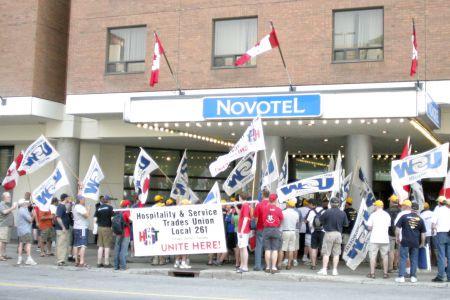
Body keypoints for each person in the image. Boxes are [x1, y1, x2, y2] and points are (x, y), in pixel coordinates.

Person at [395, 202, 426, 283]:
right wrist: (422, 243)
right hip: (415, 242)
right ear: (417, 209)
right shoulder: (420, 219)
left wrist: (397, 238)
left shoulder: (404, 217)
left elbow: (397, 229)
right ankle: (413, 277)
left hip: (405, 241)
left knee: (403, 258)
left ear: (411, 208)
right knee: (414, 259)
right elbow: (423, 234)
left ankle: (401, 277)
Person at [317, 197, 348, 276]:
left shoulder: (327, 211)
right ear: (338, 204)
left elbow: (319, 221)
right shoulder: (343, 213)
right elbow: (346, 224)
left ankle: (324, 270)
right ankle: (335, 270)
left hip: (329, 233)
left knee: (326, 253)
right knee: (336, 253)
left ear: (330, 204)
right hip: (338, 234)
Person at [366, 200, 391, 279]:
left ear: (377, 206)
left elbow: (369, 227)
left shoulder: (373, 215)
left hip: (374, 238)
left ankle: (372, 273)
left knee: (373, 256)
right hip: (384, 239)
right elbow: (388, 226)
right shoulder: (387, 215)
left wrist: (373, 228)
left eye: (375, 205)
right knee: (385, 256)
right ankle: (385, 273)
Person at [262, 193, 283, 274]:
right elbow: (281, 219)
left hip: (266, 229)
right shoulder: (278, 209)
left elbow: (263, 218)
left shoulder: (264, 208)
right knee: (275, 249)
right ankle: (274, 267)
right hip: (275, 229)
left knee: (267, 249)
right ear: (276, 200)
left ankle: (267, 267)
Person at [431, 198, 450, 282]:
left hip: (441, 234)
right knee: (449, 257)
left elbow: (433, 224)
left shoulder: (437, 211)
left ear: (439, 203)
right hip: (449, 234)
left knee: (441, 256)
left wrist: (432, 231)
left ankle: (440, 276)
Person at [279, 199, 299, 270]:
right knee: (291, 249)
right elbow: (297, 222)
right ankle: (289, 265)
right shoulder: (296, 213)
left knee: (282, 249)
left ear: (288, 205)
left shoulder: (283, 212)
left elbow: (280, 221)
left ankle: (279, 264)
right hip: (293, 231)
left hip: (284, 231)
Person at [94, 195, 114, 268]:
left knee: (100, 246)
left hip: (99, 227)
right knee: (107, 246)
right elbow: (112, 219)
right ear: (108, 200)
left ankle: (99, 262)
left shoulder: (98, 208)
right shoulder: (110, 208)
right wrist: (113, 228)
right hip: (107, 228)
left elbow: (95, 220)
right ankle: (106, 263)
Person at [16, 198, 37, 265]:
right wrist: (34, 215)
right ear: (23, 204)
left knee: (21, 244)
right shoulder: (23, 210)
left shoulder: (22, 210)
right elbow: (30, 220)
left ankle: (19, 259)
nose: (27, 203)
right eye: (26, 203)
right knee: (28, 244)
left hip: (21, 230)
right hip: (26, 230)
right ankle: (29, 258)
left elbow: (27, 215)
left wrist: (31, 212)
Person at [252, 189, 270, 271]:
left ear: (262, 195)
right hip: (270, 228)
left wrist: (255, 225)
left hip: (260, 228)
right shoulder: (272, 204)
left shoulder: (259, 205)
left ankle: (257, 266)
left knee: (259, 247)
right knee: (268, 248)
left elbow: (256, 218)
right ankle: (268, 266)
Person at [305, 199, 324, 270]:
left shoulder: (312, 211)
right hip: (323, 232)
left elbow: (306, 221)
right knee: (323, 248)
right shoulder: (325, 211)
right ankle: (325, 265)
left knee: (314, 248)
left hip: (314, 231)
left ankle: (313, 265)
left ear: (315, 205)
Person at [73, 194, 90, 268]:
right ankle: (82, 261)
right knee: (83, 245)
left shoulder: (75, 207)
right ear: (80, 200)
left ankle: (76, 261)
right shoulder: (80, 207)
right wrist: (88, 209)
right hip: (82, 227)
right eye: (83, 200)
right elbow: (86, 215)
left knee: (76, 244)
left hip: (76, 227)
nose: (84, 201)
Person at [55, 193, 72, 266]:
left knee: (63, 244)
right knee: (61, 244)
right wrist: (63, 227)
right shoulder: (61, 207)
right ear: (65, 198)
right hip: (62, 229)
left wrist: (70, 205)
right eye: (68, 198)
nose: (69, 199)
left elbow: (66, 213)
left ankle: (61, 259)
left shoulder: (63, 206)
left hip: (63, 228)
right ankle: (60, 260)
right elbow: (58, 217)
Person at [236, 193, 251, 273]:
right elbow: (241, 215)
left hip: (243, 231)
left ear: (240, 197)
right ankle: (242, 265)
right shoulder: (244, 205)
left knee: (244, 248)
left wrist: (242, 230)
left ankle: (245, 266)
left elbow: (245, 218)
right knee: (242, 248)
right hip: (242, 230)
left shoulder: (245, 206)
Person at [386, 195, 401, 272]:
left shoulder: (386, 211)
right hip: (399, 233)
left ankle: (390, 267)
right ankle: (395, 265)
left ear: (391, 202)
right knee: (397, 250)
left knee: (391, 250)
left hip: (390, 233)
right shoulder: (401, 211)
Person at [0, 192, 16, 261]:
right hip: (3, 226)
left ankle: (3, 254)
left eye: (10, 196)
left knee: (5, 241)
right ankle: (0, 255)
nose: (10, 198)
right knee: (2, 241)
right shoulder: (1, 204)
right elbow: (4, 212)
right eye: (8, 197)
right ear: (4, 197)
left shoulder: (6, 204)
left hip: (7, 226)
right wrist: (13, 207)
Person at [299, 199, 311, 264]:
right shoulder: (310, 210)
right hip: (307, 228)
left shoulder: (299, 209)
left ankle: (300, 253)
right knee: (307, 244)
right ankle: (306, 255)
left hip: (300, 228)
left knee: (300, 242)